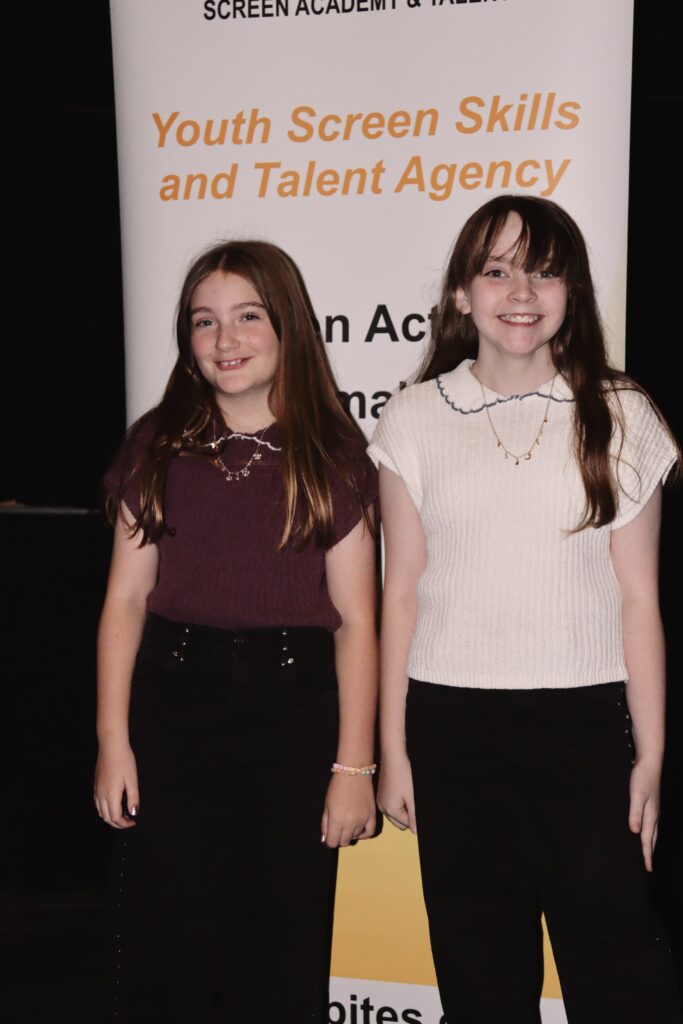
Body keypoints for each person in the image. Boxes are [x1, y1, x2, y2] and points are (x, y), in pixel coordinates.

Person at [369, 195, 682, 1023]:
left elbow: (639, 599)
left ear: (571, 292)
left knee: (618, 964)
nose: (520, 291)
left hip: (584, 725)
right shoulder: (411, 417)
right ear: (460, 294)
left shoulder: (621, 412)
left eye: (543, 272)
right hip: (450, 726)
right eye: (497, 270)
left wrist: (650, 755)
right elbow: (399, 592)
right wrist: (392, 750)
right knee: (479, 972)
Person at [94, 240, 378, 1023]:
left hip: (294, 711)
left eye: (248, 316)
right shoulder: (156, 444)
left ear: (287, 326)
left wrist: (353, 767)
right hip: (172, 702)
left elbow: (357, 621)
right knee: (162, 938)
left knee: (279, 943)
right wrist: (113, 740)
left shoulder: (332, 457)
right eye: (204, 321)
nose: (225, 339)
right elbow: (124, 601)